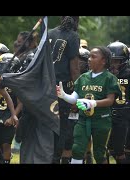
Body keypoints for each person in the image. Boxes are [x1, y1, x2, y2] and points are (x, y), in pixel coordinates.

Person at [57, 46, 121, 164]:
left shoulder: (109, 78)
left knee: (99, 153)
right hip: (83, 119)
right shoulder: (83, 77)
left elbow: (110, 100)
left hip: (101, 120)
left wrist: (92, 103)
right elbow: (74, 99)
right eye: (89, 56)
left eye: (93, 57)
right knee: (77, 149)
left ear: (104, 61)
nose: (89, 59)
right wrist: (64, 95)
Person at [48, 16, 81, 164]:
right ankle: (56, 159)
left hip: (46, 87)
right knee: (62, 128)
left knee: (48, 125)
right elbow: (74, 69)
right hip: (63, 90)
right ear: (77, 20)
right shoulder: (73, 36)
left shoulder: (49, 33)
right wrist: (79, 94)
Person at [0, 53, 22, 164]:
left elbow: (20, 103)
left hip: (9, 114)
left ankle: (5, 161)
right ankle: (0, 157)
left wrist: (14, 116)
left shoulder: (17, 81)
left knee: (6, 143)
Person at [106, 41, 130, 164]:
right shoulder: (106, 75)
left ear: (124, 61)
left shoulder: (127, 74)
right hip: (111, 114)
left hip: (124, 115)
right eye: (112, 61)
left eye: (117, 61)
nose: (113, 64)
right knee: (113, 150)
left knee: (121, 152)